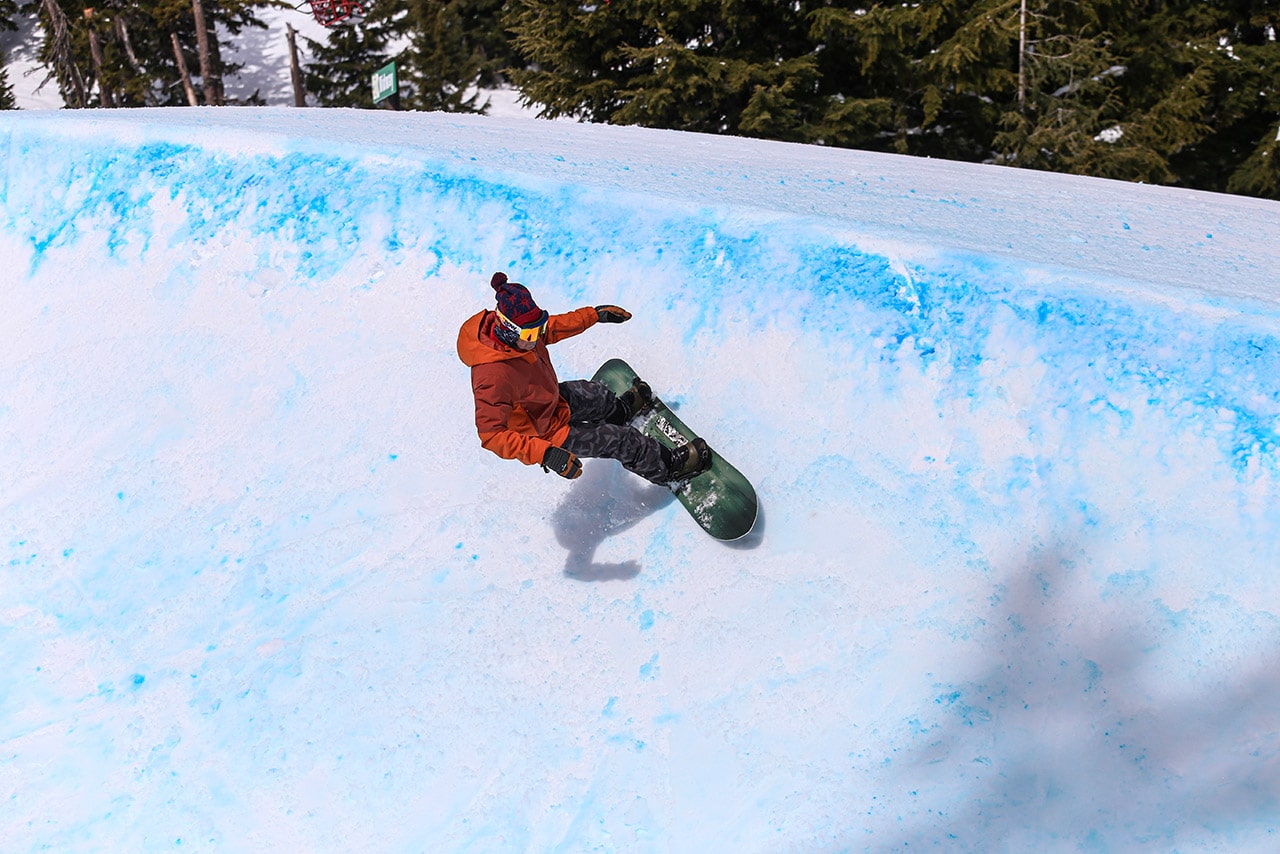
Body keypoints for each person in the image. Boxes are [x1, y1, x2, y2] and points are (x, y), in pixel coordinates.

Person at [457, 272, 712, 484]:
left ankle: (619, 412)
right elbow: (491, 436)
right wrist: (546, 454)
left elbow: (552, 328)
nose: (537, 338)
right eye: (530, 333)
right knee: (620, 440)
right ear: (508, 330)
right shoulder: (491, 376)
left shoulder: (525, 336)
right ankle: (668, 468)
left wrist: (594, 315)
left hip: (551, 401)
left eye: (538, 329)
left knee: (595, 392)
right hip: (546, 433)